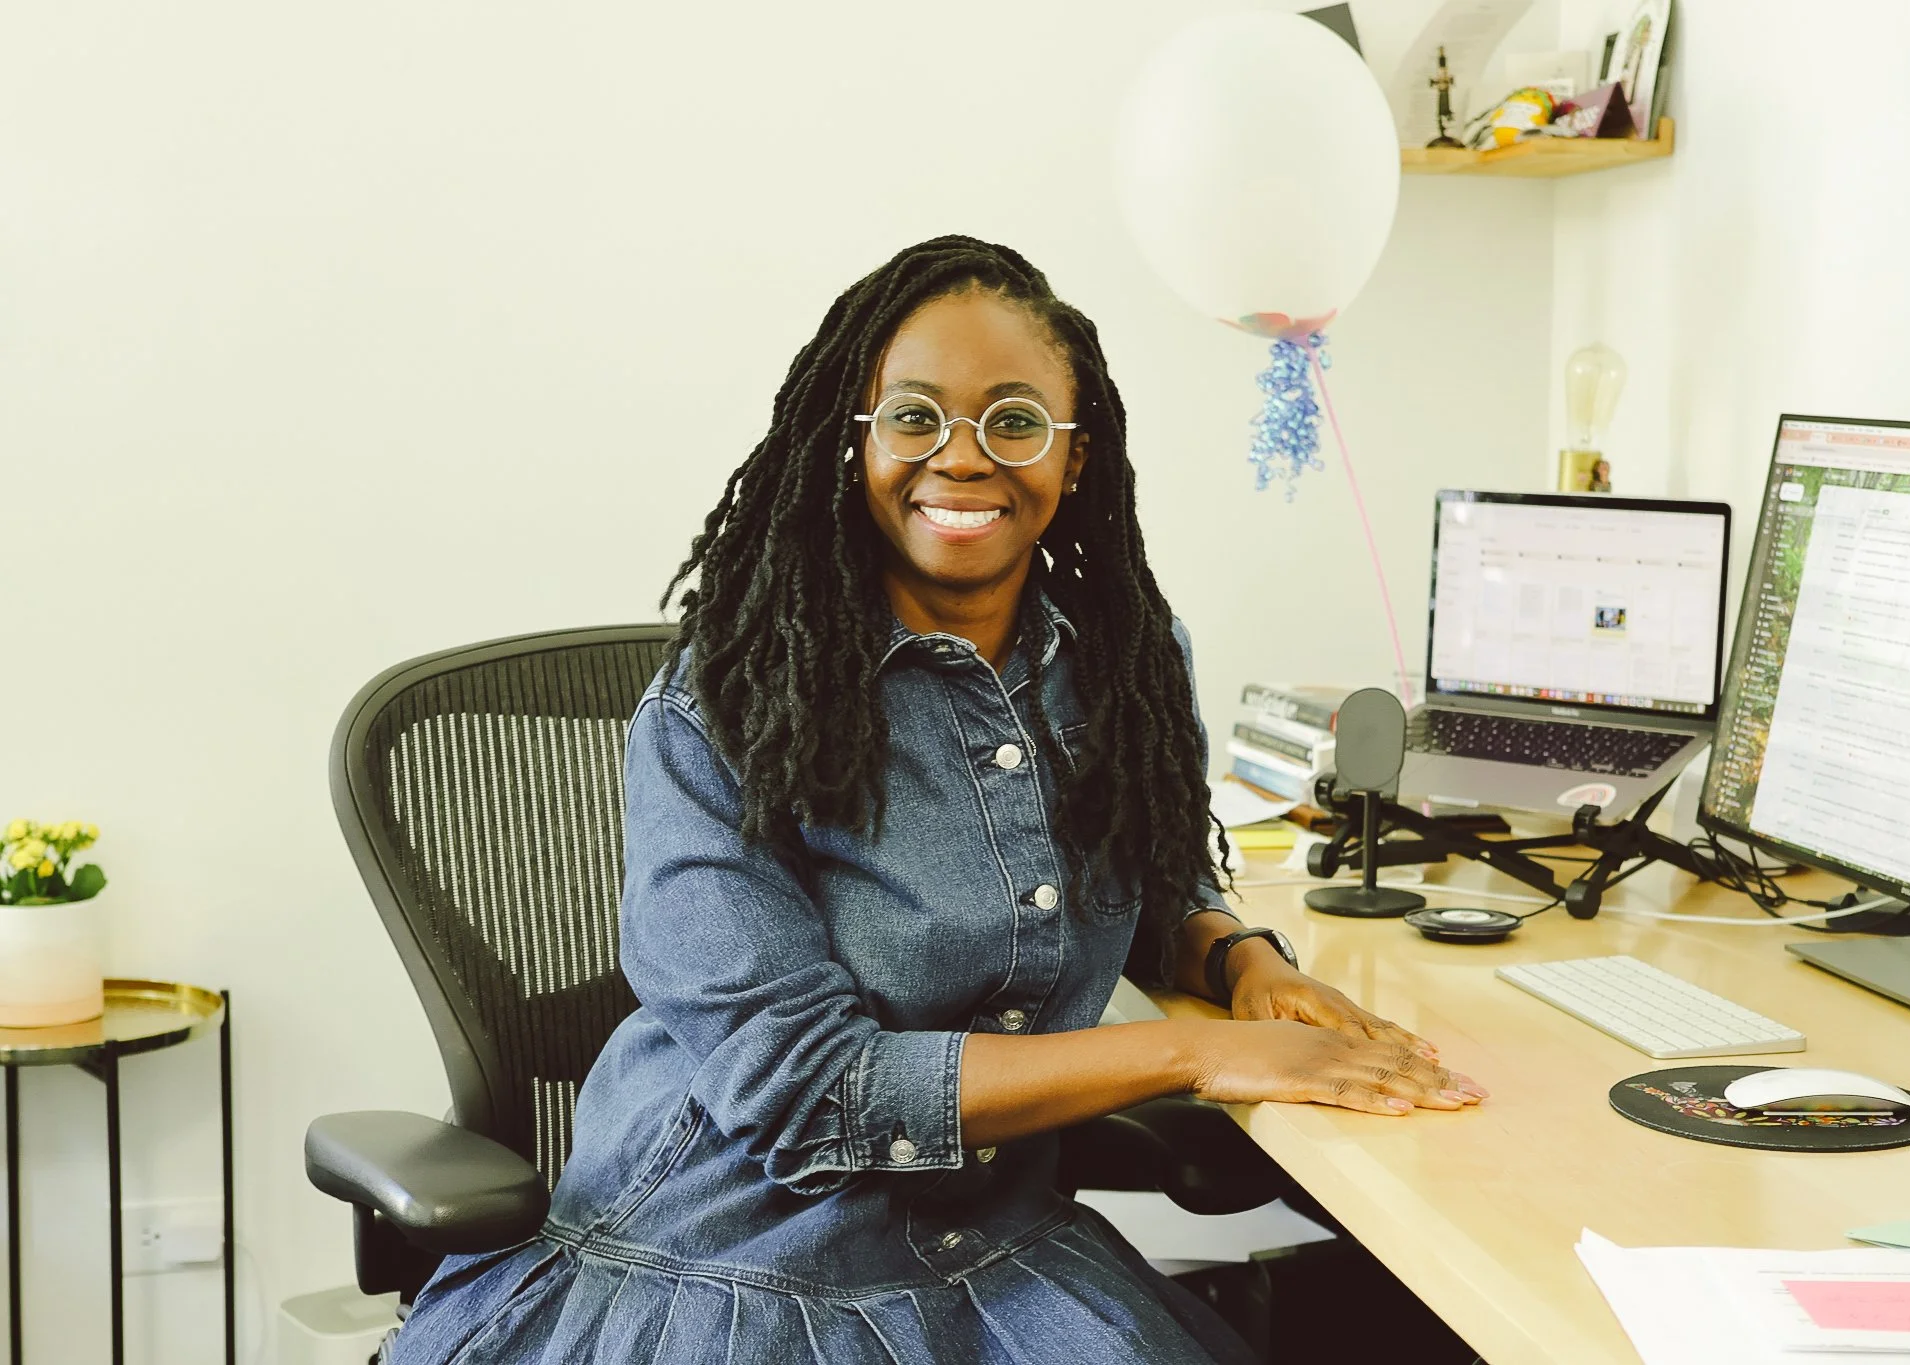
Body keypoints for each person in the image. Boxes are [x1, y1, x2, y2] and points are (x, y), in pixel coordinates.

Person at [384, 235, 1485, 1365]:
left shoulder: (1124, 661)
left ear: (1075, 456)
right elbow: (798, 1090)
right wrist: (1190, 1058)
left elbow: (1144, 874)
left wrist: (1237, 960)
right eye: (912, 417)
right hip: (721, 1265)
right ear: (850, 441)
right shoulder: (721, 702)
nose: (959, 459)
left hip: (986, 1252)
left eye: (1012, 421)